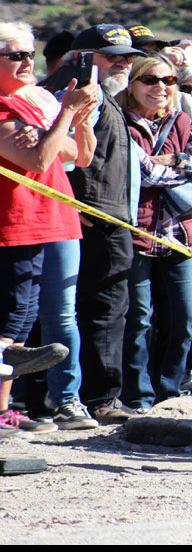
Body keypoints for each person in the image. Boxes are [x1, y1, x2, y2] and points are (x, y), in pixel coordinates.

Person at [41, 24, 144, 424]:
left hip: (105, 215)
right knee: (96, 310)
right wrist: (79, 205)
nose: (122, 63)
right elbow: (64, 158)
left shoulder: (102, 93)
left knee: (98, 310)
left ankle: (88, 396)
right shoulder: (74, 93)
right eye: (110, 55)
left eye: (127, 56)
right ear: (81, 58)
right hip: (88, 215)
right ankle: (97, 398)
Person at [0, 21, 98, 432]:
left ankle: (4, 410)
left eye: (29, 54)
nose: (26, 62)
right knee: (11, 317)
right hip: (16, 220)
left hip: (50, 219)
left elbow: (80, 155)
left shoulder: (36, 99)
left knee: (21, 322)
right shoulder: (4, 107)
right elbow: (38, 160)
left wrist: (81, 120)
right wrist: (68, 111)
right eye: (14, 55)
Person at [117, 55, 192, 411]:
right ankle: (137, 396)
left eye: (168, 80)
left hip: (179, 236)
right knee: (138, 320)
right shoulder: (119, 122)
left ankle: (169, 391)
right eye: (150, 80)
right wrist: (187, 168)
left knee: (184, 319)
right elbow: (146, 173)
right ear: (132, 85)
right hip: (135, 234)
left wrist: (179, 160)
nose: (161, 87)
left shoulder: (180, 119)